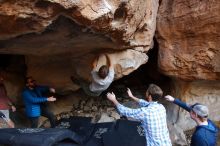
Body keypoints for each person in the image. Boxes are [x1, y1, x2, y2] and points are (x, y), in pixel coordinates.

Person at [106, 84, 172, 146]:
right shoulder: (161, 107)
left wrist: (113, 99)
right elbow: (146, 103)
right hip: (167, 143)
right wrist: (132, 96)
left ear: (149, 96)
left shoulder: (145, 112)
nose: (146, 92)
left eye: (147, 91)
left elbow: (125, 111)